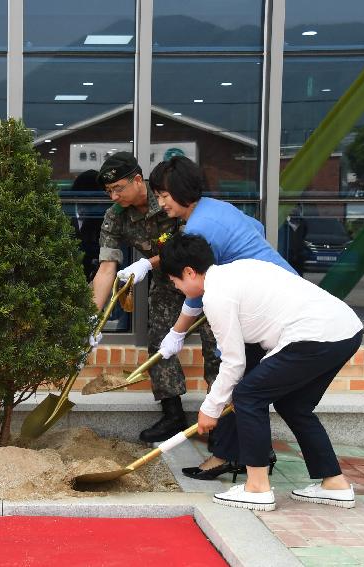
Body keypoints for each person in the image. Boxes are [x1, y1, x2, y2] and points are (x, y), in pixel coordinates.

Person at [160, 234, 362, 511]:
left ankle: (256, 487)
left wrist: (210, 408)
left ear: (189, 272)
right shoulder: (238, 270)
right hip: (346, 330)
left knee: (248, 395)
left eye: (175, 281)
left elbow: (233, 363)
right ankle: (334, 483)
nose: (177, 287)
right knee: (294, 405)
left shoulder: (217, 297)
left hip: (314, 334)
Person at [148, 156, 297, 481]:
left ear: (182, 191)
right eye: (158, 196)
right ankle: (246, 453)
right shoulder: (215, 209)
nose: (161, 204)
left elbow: (199, 292)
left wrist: (176, 333)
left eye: (163, 196)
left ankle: (230, 456)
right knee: (245, 385)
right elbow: (255, 229)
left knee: (239, 381)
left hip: (270, 305)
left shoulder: (202, 227)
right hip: (273, 293)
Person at [91, 152, 220, 443]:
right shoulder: (116, 217)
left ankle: (220, 417)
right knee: (159, 343)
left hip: (201, 278)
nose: (113, 196)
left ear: (138, 180)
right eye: (108, 191)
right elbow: (106, 267)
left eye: (118, 188)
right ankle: (173, 415)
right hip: (166, 284)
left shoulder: (168, 197)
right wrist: (92, 319)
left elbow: (189, 245)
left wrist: (147, 263)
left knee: (216, 346)